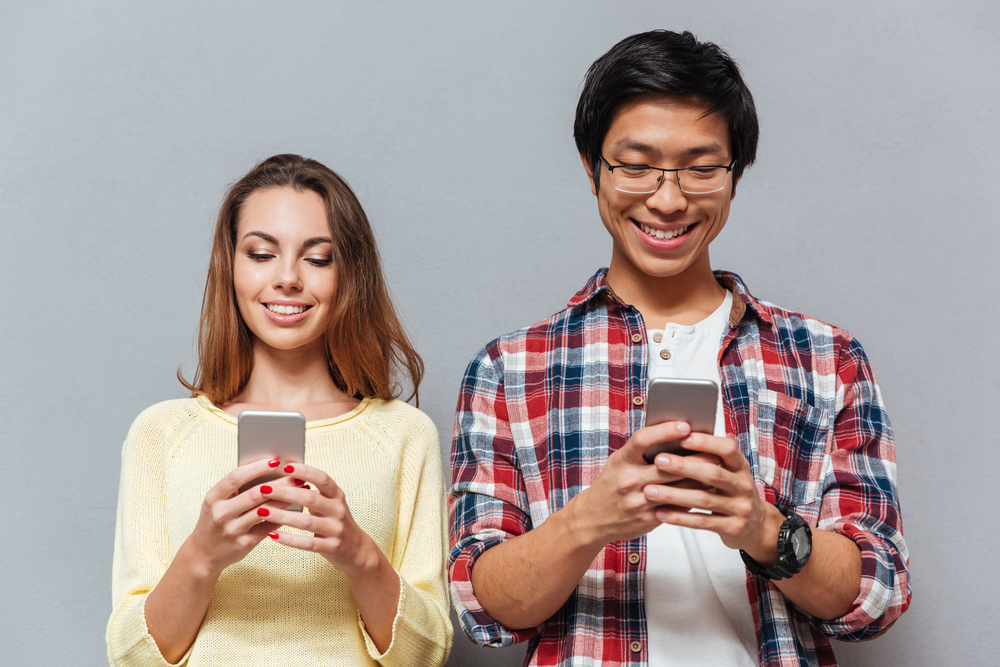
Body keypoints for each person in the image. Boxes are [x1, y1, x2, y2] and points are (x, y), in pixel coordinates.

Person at [449, 31, 909, 667]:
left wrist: (765, 529)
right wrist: (590, 520)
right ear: (591, 168)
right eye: (636, 165)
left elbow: (878, 593)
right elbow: (481, 607)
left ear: (735, 176)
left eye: (700, 168)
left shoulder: (827, 360)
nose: (668, 200)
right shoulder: (508, 370)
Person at [107, 154, 452, 667]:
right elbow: (130, 657)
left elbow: (426, 654)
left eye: (317, 258)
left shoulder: (403, 435)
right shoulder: (161, 433)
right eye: (262, 253)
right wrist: (203, 554)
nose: (288, 278)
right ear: (231, 266)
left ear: (349, 275)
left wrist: (357, 554)